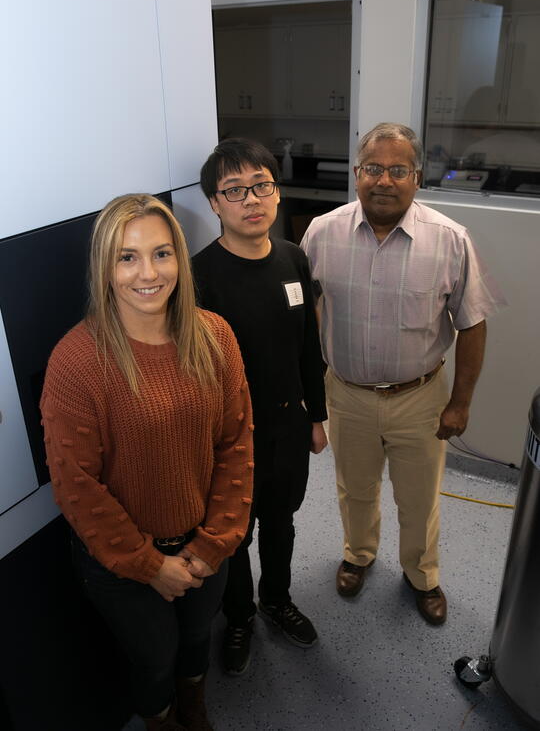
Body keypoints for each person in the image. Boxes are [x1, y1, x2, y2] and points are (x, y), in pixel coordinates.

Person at [40, 193, 253, 731]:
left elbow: (236, 446)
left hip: (205, 544)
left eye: (162, 253)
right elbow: (76, 485)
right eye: (127, 257)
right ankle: (160, 719)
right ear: (105, 268)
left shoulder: (216, 337)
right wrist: (149, 565)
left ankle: (194, 706)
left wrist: (212, 544)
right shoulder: (78, 360)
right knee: (154, 657)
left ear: (180, 258)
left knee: (198, 638)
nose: (148, 273)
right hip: (125, 562)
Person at [301, 123, 506, 626]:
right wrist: (307, 396)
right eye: (373, 168)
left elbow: (473, 324)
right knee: (355, 488)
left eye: (398, 170)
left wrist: (460, 403)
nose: (384, 181)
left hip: (420, 397)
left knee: (419, 498)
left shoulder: (449, 239)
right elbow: (301, 315)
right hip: (345, 392)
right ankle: (359, 554)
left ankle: (422, 575)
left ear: (417, 178)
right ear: (356, 174)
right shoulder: (321, 233)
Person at [192, 138, 328, 676]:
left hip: (288, 424)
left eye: (262, 186)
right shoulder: (200, 276)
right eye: (235, 190)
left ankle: (277, 600)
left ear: (277, 191)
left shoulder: (294, 257)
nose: (252, 199)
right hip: (229, 436)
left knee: (281, 520)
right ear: (215, 203)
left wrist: (316, 415)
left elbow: (307, 347)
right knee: (234, 532)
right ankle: (240, 615)